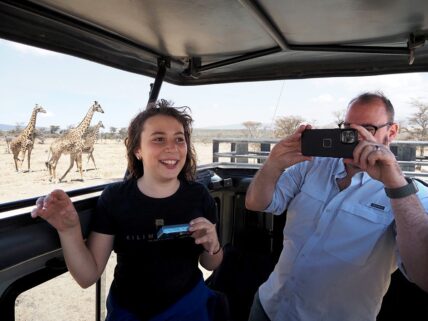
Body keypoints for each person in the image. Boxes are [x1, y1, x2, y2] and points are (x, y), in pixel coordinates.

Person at [31, 99, 224, 321]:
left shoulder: (199, 195)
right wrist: (69, 229)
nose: (172, 147)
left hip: (189, 307)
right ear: (138, 150)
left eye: (179, 139)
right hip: (129, 312)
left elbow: (211, 263)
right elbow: (87, 276)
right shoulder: (115, 198)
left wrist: (214, 246)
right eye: (159, 139)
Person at [245, 92, 428, 321]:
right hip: (269, 306)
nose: (353, 137)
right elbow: (255, 203)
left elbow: (424, 275)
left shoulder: (410, 195)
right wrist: (273, 163)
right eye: (348, 128)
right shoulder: (312, 165)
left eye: (367, 129)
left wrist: (396, 185)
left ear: (391, 132)